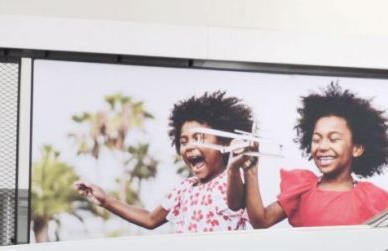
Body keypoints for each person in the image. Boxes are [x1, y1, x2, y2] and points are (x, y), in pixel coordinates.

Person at [74, 91, 254, 234]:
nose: (189, 146)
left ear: (223, 142)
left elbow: (234, 202)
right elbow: (150, 219)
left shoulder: (232, 179)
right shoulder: (185, 189)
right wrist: (106, 201)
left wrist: (233, 167)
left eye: (198, 138)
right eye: (184, 141)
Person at [243, 82, 388, 229]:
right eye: (316, 139)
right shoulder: (302, 187)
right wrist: (251, 171)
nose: (322, 147)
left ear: (357, 148)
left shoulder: (371, 197)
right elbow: (261, 221)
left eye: (334, 139)